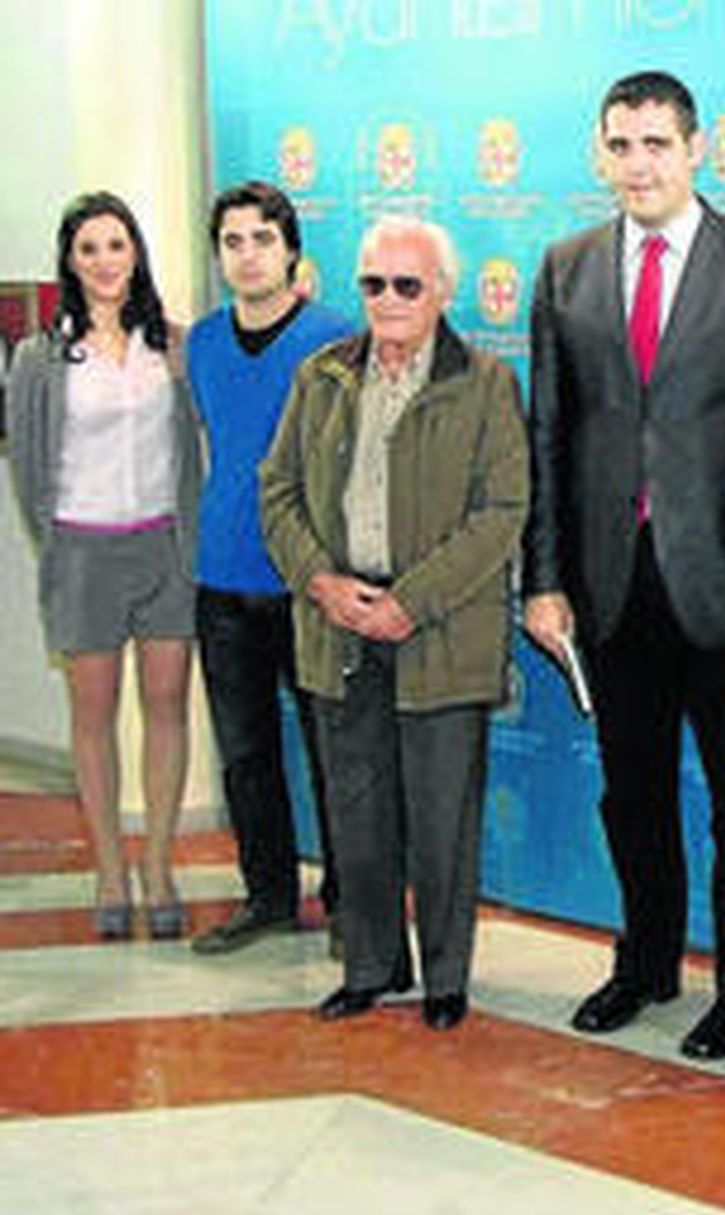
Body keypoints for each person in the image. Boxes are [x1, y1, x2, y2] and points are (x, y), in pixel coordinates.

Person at [522, 70, 725, 1060]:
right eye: (621, 144)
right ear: (600, 154)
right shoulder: (565, 268)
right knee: (632, 790)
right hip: (609, 585)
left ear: (698, 150)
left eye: (657, 143)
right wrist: (544, 577)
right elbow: (549, 432)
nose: (638, 163)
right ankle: (645, 962)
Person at [260, 216, 529, 1032]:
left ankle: (446, 978)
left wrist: (413, 599)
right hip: (338, 624)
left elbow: (502, 509)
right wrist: (320, 582)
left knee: (443, 817)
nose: (388, 299)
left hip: (438, 628)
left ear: (442, 292)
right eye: (373, 283)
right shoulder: (321, 376)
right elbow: (277, 491)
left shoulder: (485, 382)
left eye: (407, 284)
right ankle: (371, 966)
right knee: (358, 809)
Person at [6, 191, 200, 941]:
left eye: (116, 245)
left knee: (166, 705)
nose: (104, 261)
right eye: (88, 248)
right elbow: (28, 462)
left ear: (135, 253)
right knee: (92, 716)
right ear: (70, 260)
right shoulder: (41, 356)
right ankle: (111, 869)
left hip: (165, 547)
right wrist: (58, 542)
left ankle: (158, 865)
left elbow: (192, 449)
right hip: (83, 549)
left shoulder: (172, 346)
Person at [187, 181, 352, 957]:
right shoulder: (201, 343)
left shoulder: (336, 338)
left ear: (291, 250)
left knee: (332, 750)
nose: (248, 254)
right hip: (222, 577)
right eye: (232, 241)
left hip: (310, 582)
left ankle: (351, 902)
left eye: (262, 238)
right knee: (245, 752)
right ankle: (269, 896)